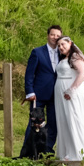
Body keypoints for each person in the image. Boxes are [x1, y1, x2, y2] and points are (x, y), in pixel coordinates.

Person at [22, 24, 63, 158]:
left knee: (52, 124)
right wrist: (30, 91)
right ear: (48, 35)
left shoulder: (62, 52)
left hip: (55, 94)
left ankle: (47, 151)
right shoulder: (37, 52)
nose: (55, 38)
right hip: (38, 95)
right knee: (33, 124)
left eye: (58, 36)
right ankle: (27, 153)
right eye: (52, 34)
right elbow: (29, 74)